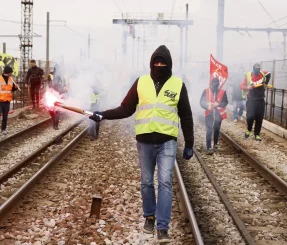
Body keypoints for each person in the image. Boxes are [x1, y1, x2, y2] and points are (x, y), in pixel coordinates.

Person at [89, 45, 194, 243]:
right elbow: (126, 108)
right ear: (152, 63)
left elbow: (186, 116)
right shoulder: (141, 82)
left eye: (163, 62)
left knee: (164, 182)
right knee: (146, 182)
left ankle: (163, 227)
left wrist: (189, 142)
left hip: (167, 142)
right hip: (144, 141)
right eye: (157, 62)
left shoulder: (178, 85)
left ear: (169, 64)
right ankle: (149, 216)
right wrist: (103, 115)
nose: (159, 65)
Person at [240, 63, 271, 141]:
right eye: (256, 69)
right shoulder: (249, 75)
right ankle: (249, 129)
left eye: (258, 69)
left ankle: (257, 134)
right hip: (251, 100)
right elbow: (241, 86)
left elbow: (269, 73)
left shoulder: (262, 74)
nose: (257, 70)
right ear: (253, 69)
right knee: (250, 117)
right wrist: (248, 87)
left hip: (260, 100)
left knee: (259, 118)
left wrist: (266, 83)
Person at [200, 77, 228, 154]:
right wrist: (206, 106)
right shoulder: (206, 91)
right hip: (209, 113)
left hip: (218, 114)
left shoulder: (222, 92)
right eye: (214, 85)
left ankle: (215, 144)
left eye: (217, 85)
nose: (215, 87)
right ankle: (208, 147)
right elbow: (201, 102)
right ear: (211, 84)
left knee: (216, 129)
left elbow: (225, 102)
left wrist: (218, 104)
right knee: (209, 129)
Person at [0, 66, 18, 135]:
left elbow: (11, 89)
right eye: (11, 72)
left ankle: (3, 129)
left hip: (7, 100)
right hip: (0, 100)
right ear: (8, 72)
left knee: (5, 116)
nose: (11, 73)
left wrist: (15, 88)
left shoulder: (11, 79)